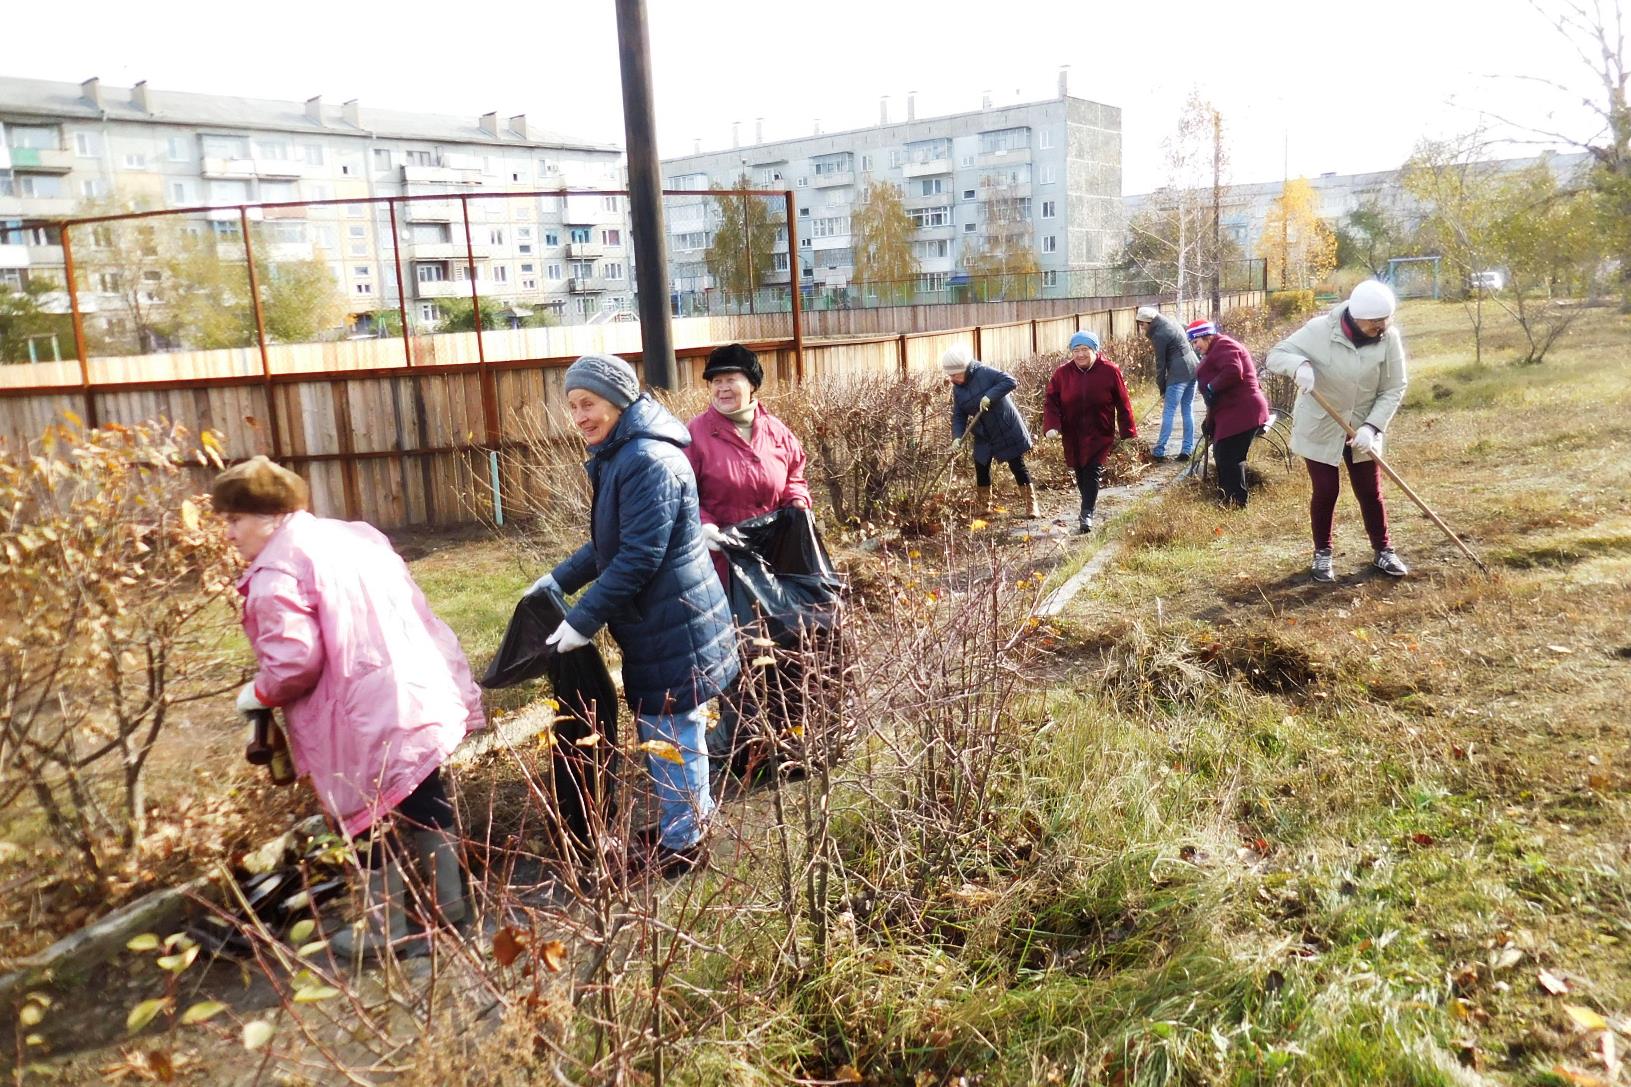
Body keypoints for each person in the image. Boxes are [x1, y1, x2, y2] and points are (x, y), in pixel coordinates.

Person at [215, 456, 484, 959]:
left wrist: (260, 692)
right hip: (411, 687)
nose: (229, 534)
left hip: (357, 713)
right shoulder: (350, 537)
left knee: (365, 813)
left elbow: (295, 662)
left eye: (235, 520)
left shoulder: (277, 572)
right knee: (423, 795)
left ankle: (387, 929)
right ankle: (451, 910)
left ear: (271, 515)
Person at [526, 353, 739, 876]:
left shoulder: (645, 460)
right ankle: (688, 824)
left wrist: (581, 620)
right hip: (662, 618)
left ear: (618, 401)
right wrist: (559, 580)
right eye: (572, 406)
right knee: (671, 726)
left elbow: (639, 557)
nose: (579, 416)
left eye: (589, 404)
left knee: (671, 730)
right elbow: (608, 544)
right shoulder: (622, 453)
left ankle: (685, 842)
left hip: (674, 620)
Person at [1266, 280, 1409, 583]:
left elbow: (1394, 387)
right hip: (1321, 423)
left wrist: (1372, 427)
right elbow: (1276, 355)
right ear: (1357, 317)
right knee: (1326, 490)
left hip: (1363, 424)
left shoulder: (1388, 338)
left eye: (1386, 321)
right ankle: (1322, 555)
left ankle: (1383, 550)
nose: (1381, 328)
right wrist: (1299, 365)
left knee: (1370, 491)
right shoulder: (1320, 330)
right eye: (1375, 323)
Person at [684, 343, 812, 580]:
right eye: (716, 382)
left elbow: (795, 474)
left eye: (731, 380)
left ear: (752, 384)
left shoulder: (776, 431)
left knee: (777, 614)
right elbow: (682, 493)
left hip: (775, 555)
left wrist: (796, 499)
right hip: (720, 561)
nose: (722, 389)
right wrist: (703, 524)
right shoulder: (694, 435)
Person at [1043, 330, 1138, 534]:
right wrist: (1052, 425)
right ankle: (1087, 505)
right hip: (1073, 431)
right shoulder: (1062, 374)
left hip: (1099, 429)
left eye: (1085, 349)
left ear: (1095, 350)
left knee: (1092, 469)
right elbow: (1051, 401)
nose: (1080, 355)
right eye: (1076, 350)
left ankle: (1086, 513)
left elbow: (1123, 402)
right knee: (1079, 469)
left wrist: (1127, 430)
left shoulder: (1110, 371)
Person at [941, 343, 1037, 517]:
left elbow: (1010, 381)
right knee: (981, 465)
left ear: (965, 368)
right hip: (983, 433)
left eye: (955, 374)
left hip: (1004, 427)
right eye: (950, 375)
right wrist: (956, 437)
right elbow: (959, 415)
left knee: (1017, 465)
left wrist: (989, 396)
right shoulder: (958, 389)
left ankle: (1031, 505)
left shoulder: (984, 372)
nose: (952, 379)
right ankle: (985, 505)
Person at [1186, 318, 1270, 508]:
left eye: (1195, 341)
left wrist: (1211, 386)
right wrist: (1210, 422)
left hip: (1243, 411)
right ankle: (1230, 499)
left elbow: (1233, 370)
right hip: (1232, 413)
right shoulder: (1215, 348)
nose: (1195, 346)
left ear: (1205, 336)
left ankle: (1236, 502)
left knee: (1228, 456)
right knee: (1224, 454)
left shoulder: (1224, 345)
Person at [1135, 305, 1200, 462]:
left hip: (1179, 374)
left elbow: (1160, 364)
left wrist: (1162, 386)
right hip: (1194, 368)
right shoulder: (1171, 322)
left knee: (1169, 412)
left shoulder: (1159, 334)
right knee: (1187, 409)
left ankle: (1159, 451)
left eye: (1142, 324)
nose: (1142, 328)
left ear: (1150, 322)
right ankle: (1187, 449)